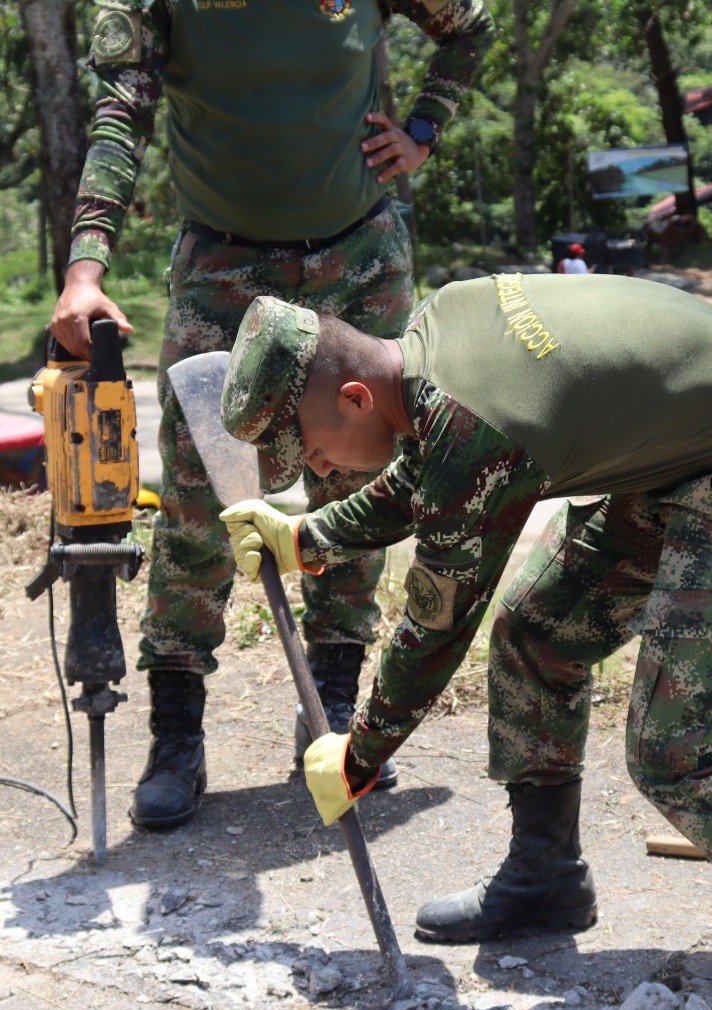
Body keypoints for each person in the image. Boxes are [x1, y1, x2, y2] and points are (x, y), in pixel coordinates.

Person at [215, 275, 712, 1010]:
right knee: (538, 633)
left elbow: (436, 624)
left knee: (679, 754)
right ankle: (546, 877)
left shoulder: (473, 422)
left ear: (357, 399)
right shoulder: (438, 332)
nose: (323, 470)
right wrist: (310, 536)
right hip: (681, 469)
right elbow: (429, 476)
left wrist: (359, 757)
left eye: (313, 448)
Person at [47, 0, 495, 830]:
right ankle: (176, 732)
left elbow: (470, 24)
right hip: (225, 264)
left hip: (360, 256)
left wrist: (424, 128)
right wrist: (85, 267)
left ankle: (332, 717)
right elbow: (121, 115)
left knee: (360, 483)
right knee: (195, 504)